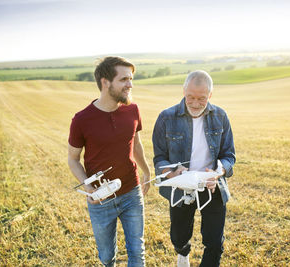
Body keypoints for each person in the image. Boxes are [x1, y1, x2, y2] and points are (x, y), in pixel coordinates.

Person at [68, 56, 151, 267]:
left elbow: (136, 145)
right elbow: (73, 159)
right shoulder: (81, 119)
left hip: (132, 192)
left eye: (131, 79)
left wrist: (147, 172)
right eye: (124, 79)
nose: (130, 84)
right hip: (101, 199)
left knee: (137, 253)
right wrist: (89, 187)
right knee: (107, 257)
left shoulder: (133, 110)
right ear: (105, 82)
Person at [152, 70, 235, 267]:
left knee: (214, 241)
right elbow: (160, 158)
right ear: (183, 91)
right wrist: (171, 173)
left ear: (210, 96)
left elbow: (229, 156)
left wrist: (218, 173)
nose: (196, 103)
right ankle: (183, 253)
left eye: (202, 98)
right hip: (181, 187)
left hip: (211, 185)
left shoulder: (221, 116)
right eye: (191, 97)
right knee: (178, 236)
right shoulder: (166, 117)